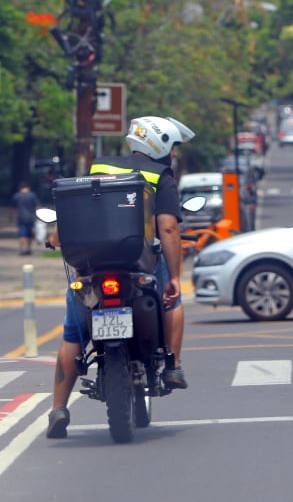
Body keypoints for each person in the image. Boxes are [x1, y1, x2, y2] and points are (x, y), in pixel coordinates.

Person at [46, 116, 195, 439]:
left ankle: (58, 409)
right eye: (173, 147)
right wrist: (174, 277)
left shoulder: (100, 167)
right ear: (160, 145)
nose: (174, 154)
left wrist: (55, 237)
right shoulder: (161, 176)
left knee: (73, 333)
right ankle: (172, 366)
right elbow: (169, 228)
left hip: (92, 268)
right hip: (139, 266)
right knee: (173, 301)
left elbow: (76, 208)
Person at [10, 181, 40, 255]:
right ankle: (28, 249)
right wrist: (40, 216)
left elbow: (12, 208)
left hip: (21, 218)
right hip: (31, 218)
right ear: (28, 188)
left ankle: (22, 249)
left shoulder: (16, 195)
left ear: (20, 188)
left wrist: (10, 217)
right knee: (30, 234)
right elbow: (37, 206)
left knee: (22, 234)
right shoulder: (32, 195)